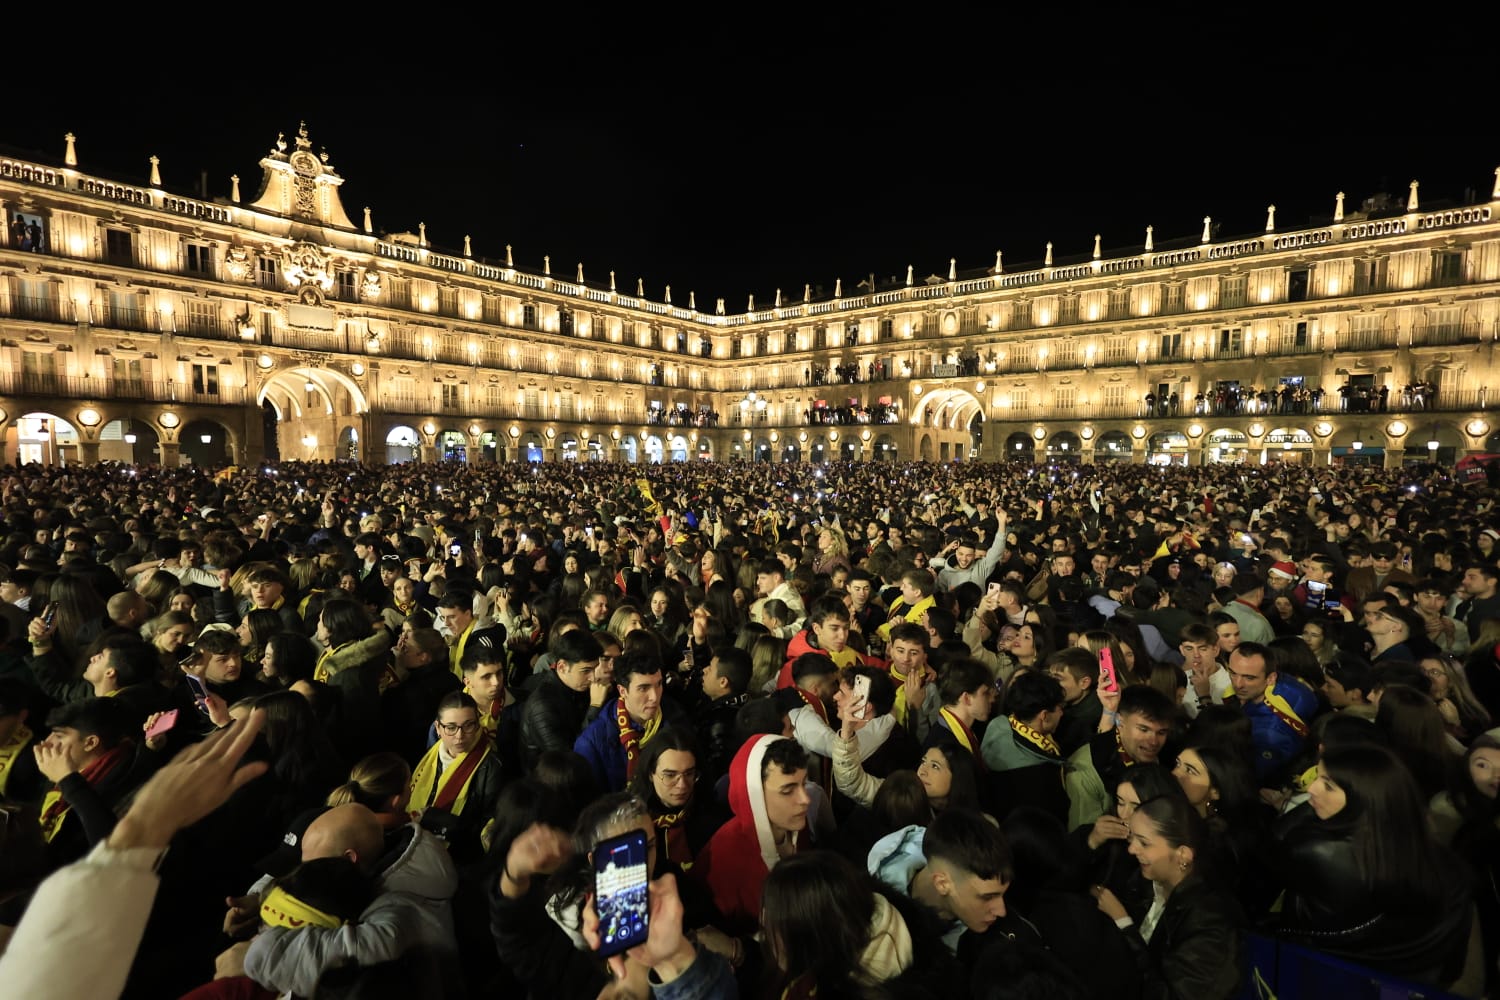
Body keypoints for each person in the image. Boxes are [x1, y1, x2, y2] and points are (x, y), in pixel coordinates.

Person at [1270, 742, 1478, 989]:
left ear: (1365, 799)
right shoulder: (1439, 858)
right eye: (1317, 776)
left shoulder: (1317, 851)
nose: (1312, 789)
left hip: (1333, 975)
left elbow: (1272, 850)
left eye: (1328, 785)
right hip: (1408, 980)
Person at [1092, 791, 1247, 1000]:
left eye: (1144, 843)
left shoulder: (1212, 920)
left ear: (1183, 854)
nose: (1131, 849)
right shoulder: (1145, 883)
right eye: (1132, 837)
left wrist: (1123, 923)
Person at [693, 734, 813, 936]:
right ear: (753, 795)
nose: (805, 799)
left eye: (804, 784)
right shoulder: (725, 858)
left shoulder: (796, 825)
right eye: (787, 790)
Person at [867, 805, 1013, 954]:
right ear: (942, 883)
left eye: (1002, 894)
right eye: (987, 897)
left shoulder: (988, 944)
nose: (1002, 912)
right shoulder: (869, 907)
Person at [408, 691, 506, 864]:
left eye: (468, 725)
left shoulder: (490, 766)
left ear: (477, 725)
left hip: (459, 857)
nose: (460, 736)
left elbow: (487, 827)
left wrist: (434, 818)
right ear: (438, 728)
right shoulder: (430, 756)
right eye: (451, 727)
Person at [573, 647, 668, 792]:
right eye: (643, 688)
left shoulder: (673, 721)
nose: (654, 697)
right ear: (623, 691)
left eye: (659, 685)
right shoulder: (592, 741)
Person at [518, 627, 607, 769]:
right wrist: (595, 707)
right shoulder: (542, 706)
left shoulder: (576, 687)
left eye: (594, 669)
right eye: (586, 671)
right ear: (562, 667)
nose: (593, 678)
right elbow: (568, 759)